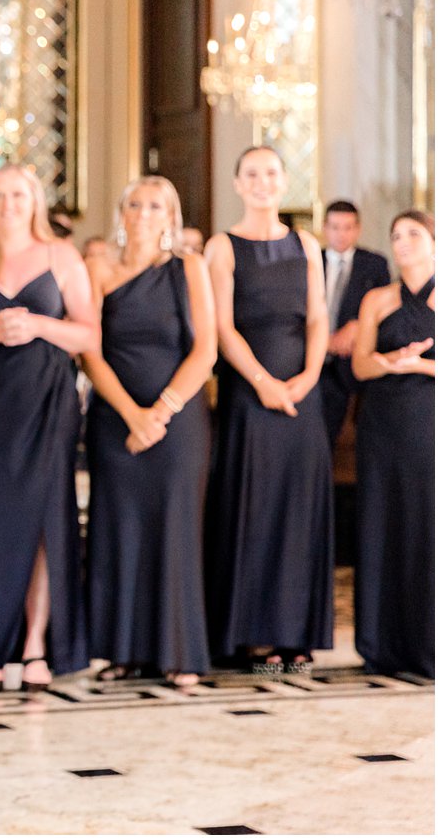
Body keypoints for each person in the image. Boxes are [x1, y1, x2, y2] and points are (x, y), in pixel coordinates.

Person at [0, 164, 97, 696]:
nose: (8, 203)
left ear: (35, 202)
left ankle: (34, 644)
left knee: (45, 524)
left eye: (18, 195)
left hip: (49, 405)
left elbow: (90, 336)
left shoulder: (62, 257)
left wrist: (39, 326)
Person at [79, 177, 216, 687]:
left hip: (178, 424)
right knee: (119, 529)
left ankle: (180, 652)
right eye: (134, 203)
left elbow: (206, 350)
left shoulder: (190, 268)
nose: (142, 212)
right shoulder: (97, 268)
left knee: (176, 529)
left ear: (171, 216)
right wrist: (132, 415)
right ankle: (123, 650)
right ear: (121, 211)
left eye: (155, 205)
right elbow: (89, 351)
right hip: (114, 419)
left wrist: (160, 412)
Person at [203, 146, 333, 673]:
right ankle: (245, 634)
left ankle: (294, 637)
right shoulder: (222, 246)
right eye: (251, 173)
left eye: (271, 173)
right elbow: (222, 327)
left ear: (284, 183)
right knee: (249, 511)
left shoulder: (306, 243)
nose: (262, 182)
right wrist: (263, 382)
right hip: (248, 400)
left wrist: (306, 379)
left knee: (297, 514)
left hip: (303, 401)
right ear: (237, 183)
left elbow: (319, 319)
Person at [351, 209, 435, 678]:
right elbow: (360, 366)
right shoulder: (377, 300)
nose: (402, 243)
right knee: (382, 523)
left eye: (414, 234)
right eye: (396, 235)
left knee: (425, 524)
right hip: (382, 425)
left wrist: (418, 366)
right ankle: (380, 644)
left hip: (429, 424)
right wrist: (390, 361)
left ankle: (427, 644)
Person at [319, 200, 391, 448]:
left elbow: (385, 310)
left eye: (348, 227)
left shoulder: (374, 264)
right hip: (313, 360)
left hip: (351, 364)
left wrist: (357, 326)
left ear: (357, 229)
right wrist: (323, 341)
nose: (341, 234)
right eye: (335, 227)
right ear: (325, 228)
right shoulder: (309, 261)